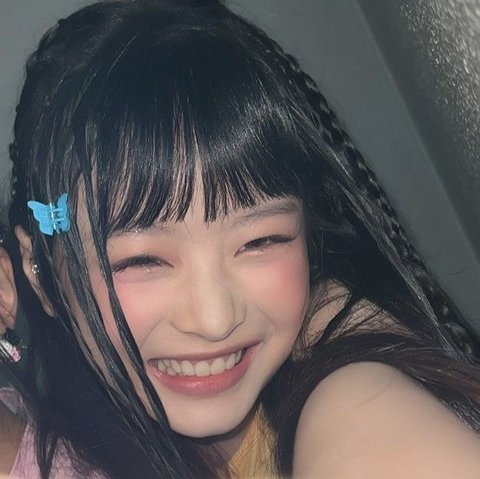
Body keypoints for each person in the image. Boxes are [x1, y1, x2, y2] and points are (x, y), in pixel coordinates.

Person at [1, 1, 480, 477]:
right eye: (143, 260)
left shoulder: (350, 364)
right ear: (38, 272)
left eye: (260, 241)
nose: (215, 321)